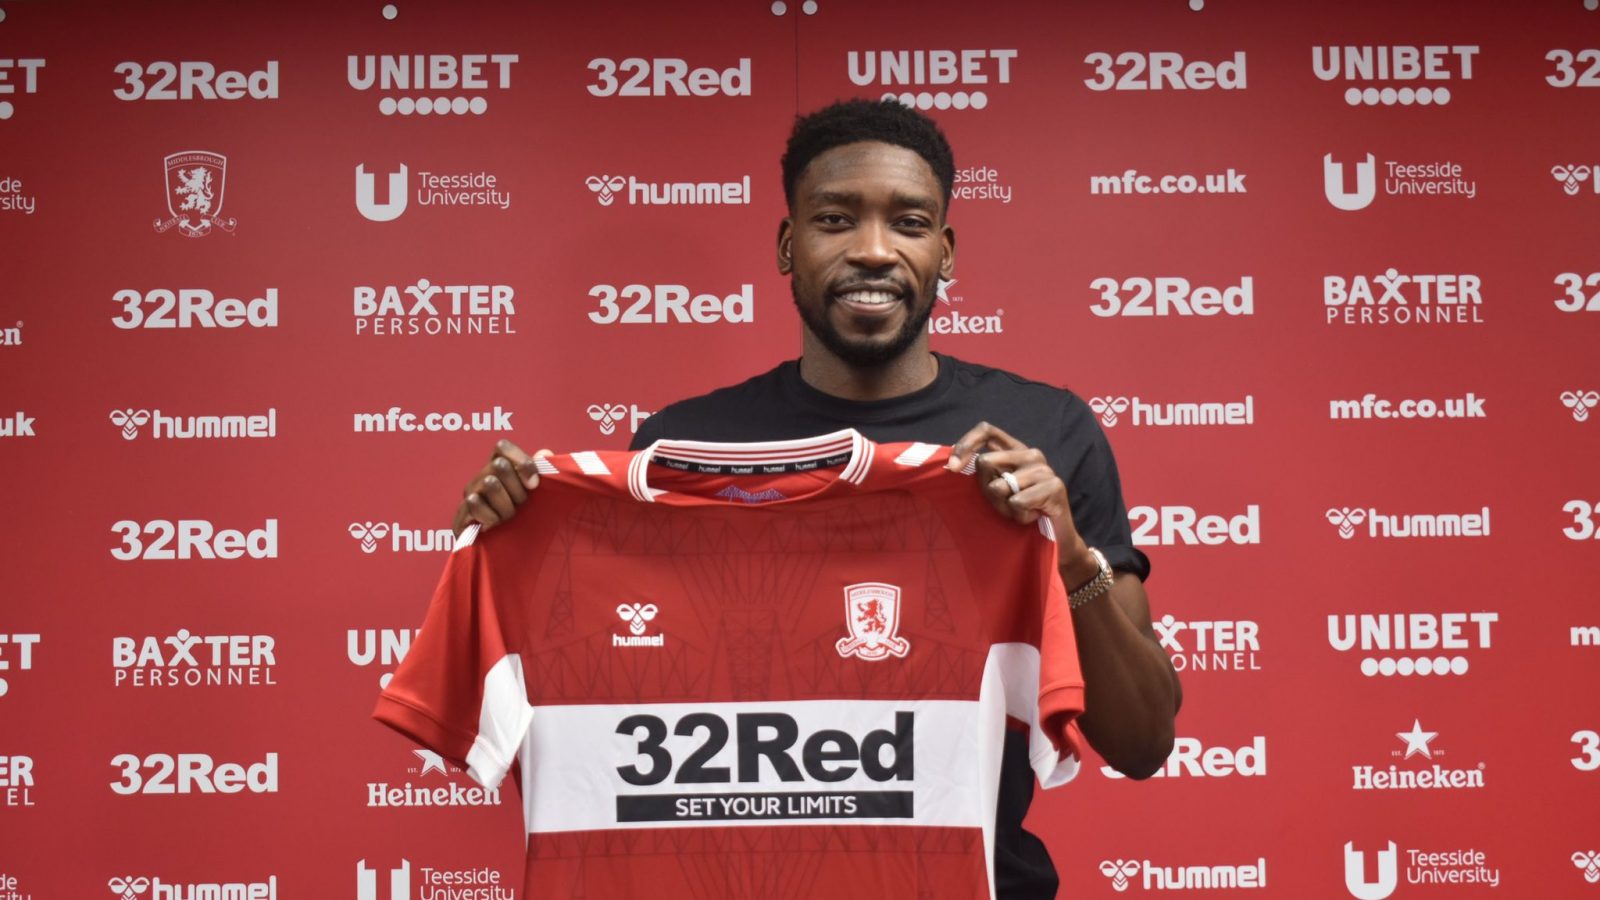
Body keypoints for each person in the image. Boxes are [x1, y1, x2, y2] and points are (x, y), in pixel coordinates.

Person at [448, 99, 1180, 898]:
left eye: (908, 223)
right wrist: (509, 553)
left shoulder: (1046, 432)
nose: (874, 250)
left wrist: (1067, 556)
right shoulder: (681, 447)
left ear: (944, 251)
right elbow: (604, 694)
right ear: (788, 246)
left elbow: (1143, 742)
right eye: (835, 220)